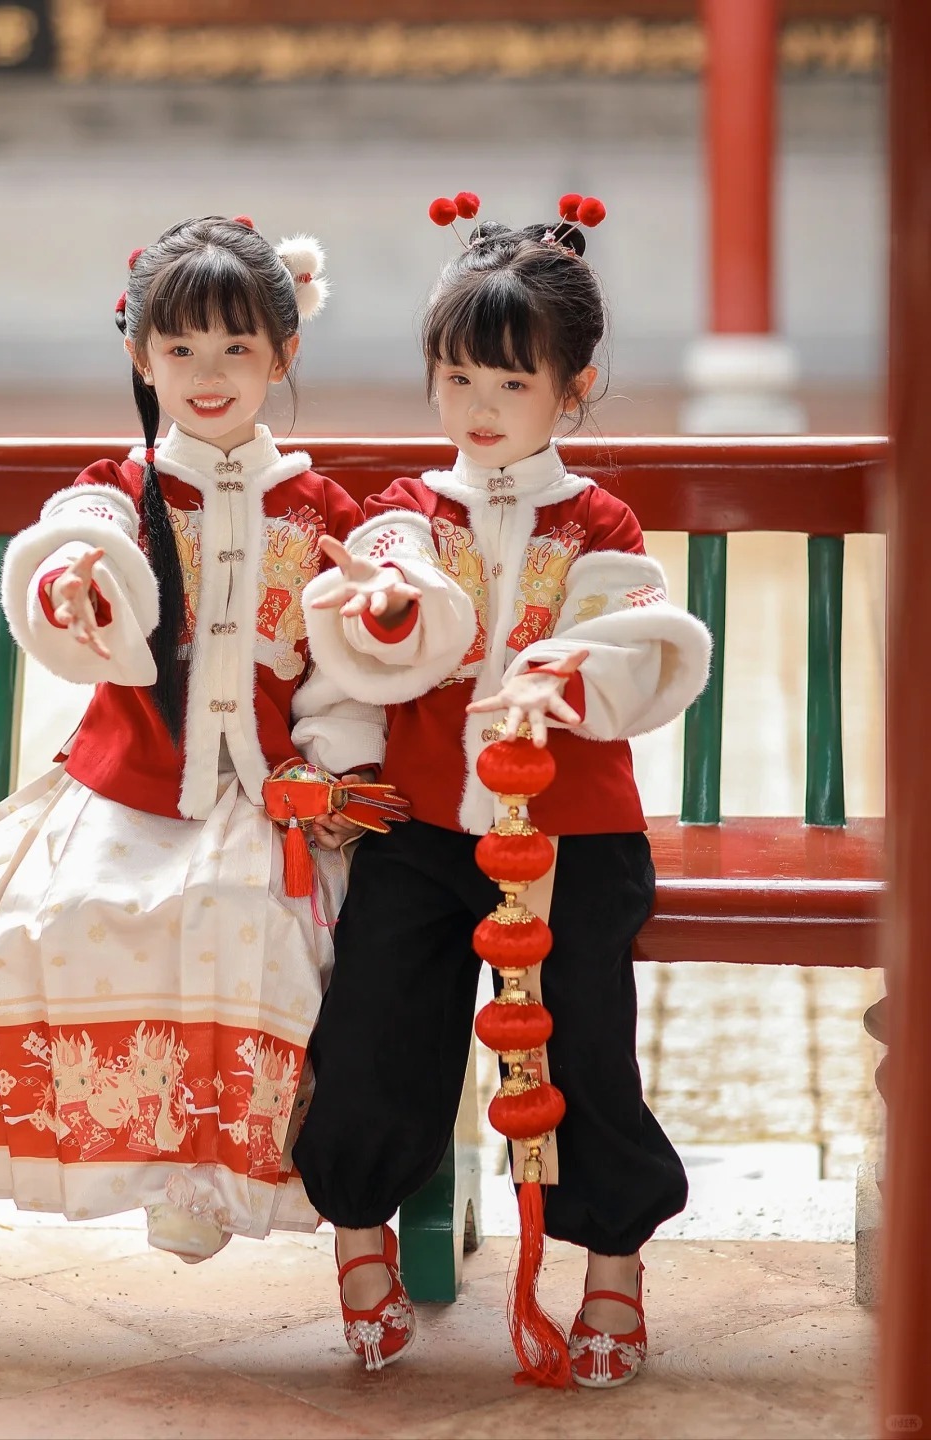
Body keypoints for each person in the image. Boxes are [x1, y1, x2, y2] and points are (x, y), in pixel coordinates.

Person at [0, 213, 386, 1264]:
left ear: (283, 354)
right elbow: (69, 555)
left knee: (255, 919)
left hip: (265, 793)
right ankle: (156, 1163)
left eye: (236, 350)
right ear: (139, 354)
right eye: (179, 351)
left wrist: (330, 764)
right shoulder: (117, 491)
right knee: (70, 911)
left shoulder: (317, 508)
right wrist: (75, 588)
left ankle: (223, 1174)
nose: (207, 374)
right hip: (130, 787)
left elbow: (347, 672)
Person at [294, 194, 712, 1383]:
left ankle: (614, 1271)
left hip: (572, 832)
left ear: (572, 389)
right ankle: (362, 1231)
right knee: (378, 1018)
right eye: (459, 380)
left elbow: (636, 647)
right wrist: (378, 612)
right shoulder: (404, 517)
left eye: (511, 386)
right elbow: (371, 632)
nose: (480, 410)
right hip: (425, 825)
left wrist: (558, 678)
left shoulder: (603, 521)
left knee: (582, 1044)